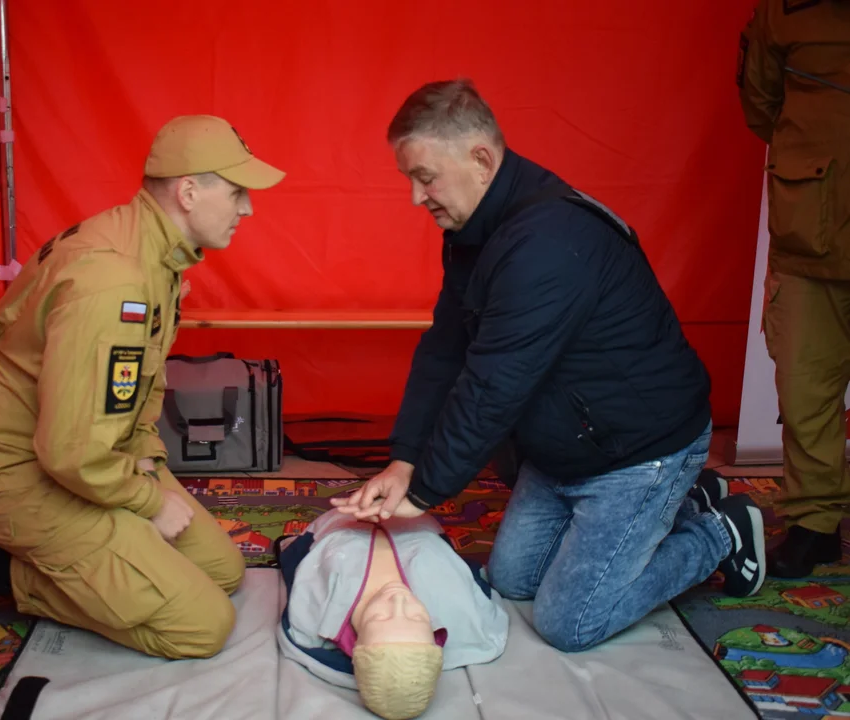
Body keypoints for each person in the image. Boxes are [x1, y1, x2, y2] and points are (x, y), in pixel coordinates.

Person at [333, 79, 766, 653]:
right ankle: (690, 500)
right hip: (566, 446)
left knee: (570, 624)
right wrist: (405, 460)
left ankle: (719, 528)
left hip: (639, 451)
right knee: (513, 582)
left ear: (481, 159)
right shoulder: (473, 229)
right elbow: (446, 348)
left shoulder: (546, 243)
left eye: (425, 176)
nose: (416, 196)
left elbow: (492, 385)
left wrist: (425, 491)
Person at [0, 115, 285, 659]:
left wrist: (141, 461)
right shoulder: (114, 278)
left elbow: (137, 388)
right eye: (237, 193)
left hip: (90, 456)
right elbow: (69, 451)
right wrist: (144, 500)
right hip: (20, 474)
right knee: (201, 627)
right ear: (189, 192)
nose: (248, 209)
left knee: (224, 571)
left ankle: (99, 547)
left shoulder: (154, 252)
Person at [738, 0, 850, 578]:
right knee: (805, 392)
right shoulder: (785, 11)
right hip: (811, 240)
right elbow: (762, 106)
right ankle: (816, 523)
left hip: (814, 221)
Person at [275, 507, 508, 720]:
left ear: (353, 643)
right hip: (413, 514)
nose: (398, 600)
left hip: (343, 518)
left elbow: (297, 628)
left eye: (380, 617)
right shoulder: (451, 599)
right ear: (436, 634)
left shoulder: (322, 611)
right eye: (417, 617)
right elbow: (486, 623)